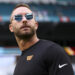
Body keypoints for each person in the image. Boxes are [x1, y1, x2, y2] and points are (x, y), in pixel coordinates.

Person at [9, 3, 74, 75]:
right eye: (18, 17)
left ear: (36, 25)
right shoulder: (19, 64)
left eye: (29, 16)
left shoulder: (53, 51)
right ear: (11, 28)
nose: (24, 20)